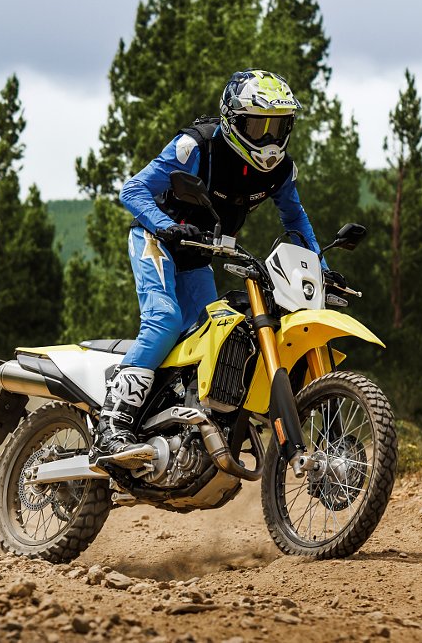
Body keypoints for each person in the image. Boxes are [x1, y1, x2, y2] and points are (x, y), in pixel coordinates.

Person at [94, 69, 344, 465]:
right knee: (164, 320)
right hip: (156, 240)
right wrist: (166, 226)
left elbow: (296, 221)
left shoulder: (281, 171)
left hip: (199, 255)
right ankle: (111, 426)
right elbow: (133, 189)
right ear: (232, 120)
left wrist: (321, 268)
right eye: (257, 124)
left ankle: (176, 425)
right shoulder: (197, 147)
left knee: (210, 337)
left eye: (277, 126)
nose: (268, 138)